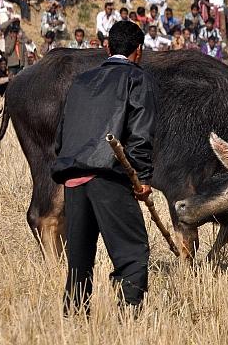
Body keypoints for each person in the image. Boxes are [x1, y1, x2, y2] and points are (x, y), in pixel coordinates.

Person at [51, 21, 155, 316]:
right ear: (139, 51)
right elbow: (141, 132)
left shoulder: (81, 81)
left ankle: (73, 321)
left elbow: (61, 135)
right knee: (133, 254)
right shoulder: (136, 78)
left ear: (107, 47)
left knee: (79, 262)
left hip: (72, 178)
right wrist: (142, 178)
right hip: (108, 176)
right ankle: (129, 323)